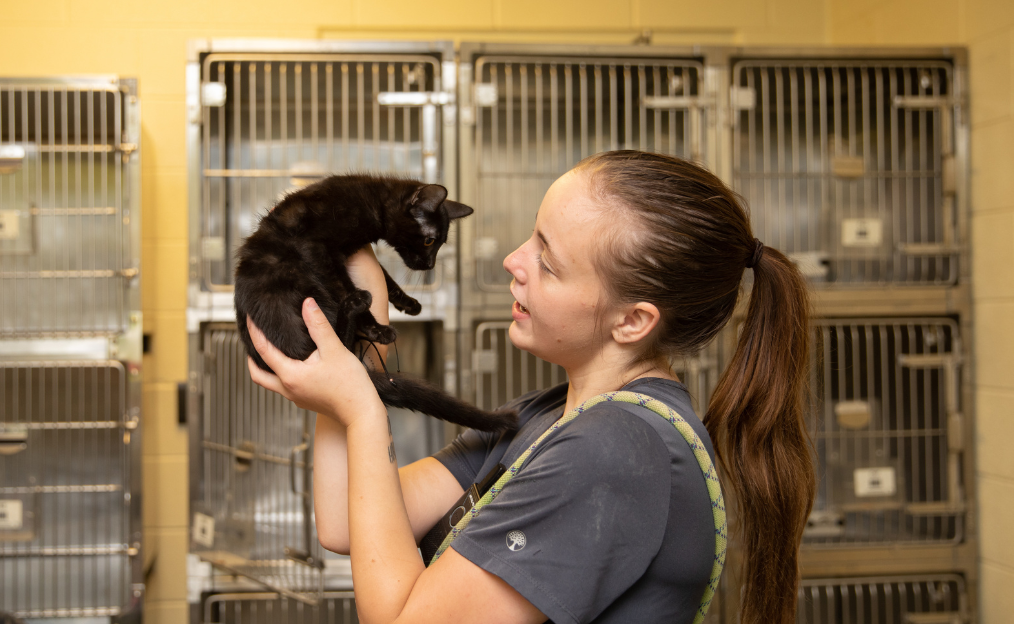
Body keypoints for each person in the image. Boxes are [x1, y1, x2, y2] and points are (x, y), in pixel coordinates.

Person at [245, 150, 816, 624]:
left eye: (549, 262)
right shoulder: (549, 416)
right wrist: (356, 350)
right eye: (531, 239)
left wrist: (363, 409)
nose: (514, 261)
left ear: (632, 321)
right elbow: (349, 524)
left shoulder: (615, 451)